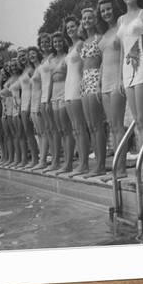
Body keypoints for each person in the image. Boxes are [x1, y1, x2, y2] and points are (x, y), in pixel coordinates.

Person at [115, 0, 143, 183]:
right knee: (137, 121)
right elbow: (122, 50)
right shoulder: (121, 19)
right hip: (127, 71)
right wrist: (121, 79)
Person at [96, 0, 127, 179]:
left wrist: (122, 79)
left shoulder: (120, 28)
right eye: (103, 11)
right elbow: (103, 61)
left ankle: (121, 169)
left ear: (114, 9)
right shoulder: (105, 34)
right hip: (105, 84)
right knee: (112, 126)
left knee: (117, 126)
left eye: (108, 9)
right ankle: (117, 167)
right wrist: (99, 82)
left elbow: (125, 53)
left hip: (117, 81)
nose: (106, 13)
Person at [80, 7, 107, 177]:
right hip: (84, 81)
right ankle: (96, 163)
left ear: (95, 20)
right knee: (90, 126)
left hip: (95, 77)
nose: (87, 20)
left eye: (90, 18)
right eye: (85, 18)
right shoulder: (83, 42)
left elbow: (104, 61)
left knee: (97, 125)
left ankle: (101, 165)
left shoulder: (100, 38)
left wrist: (99, 82)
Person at [63, 15, 90, 176]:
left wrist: (83, 86)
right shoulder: (70, 48)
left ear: (77, 27)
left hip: (77, 87)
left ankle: (84, 164)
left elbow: (86, 64)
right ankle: (80, 162)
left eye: (73, 26)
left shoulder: (80, 44)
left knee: (80, 127)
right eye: (68, 28)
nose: (70, 29)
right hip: (68, 88)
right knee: (75, 129)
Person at [48, 31, 75, 174]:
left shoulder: (67, 56)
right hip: (54, 94)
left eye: (59, 41)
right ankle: (60, 161)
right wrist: (48, 98)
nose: (57, 44)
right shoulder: (51, 59)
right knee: (60, 130)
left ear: (63, 42)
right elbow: (50, 81)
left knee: (67, 129)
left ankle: (69, 162)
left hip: (65, 90)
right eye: (55, 42)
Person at [37, 33, 59, 172]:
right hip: (43, 97)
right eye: (42, 42)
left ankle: (56, 160)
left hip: (50, 97)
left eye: (47, 42)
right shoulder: (43, 60)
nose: (45, 44)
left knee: (54, 130)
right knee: (49, 130)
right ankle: (51, 159)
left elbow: (51, 79)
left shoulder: (52, 58)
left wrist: (49, 98)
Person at [17, 47, 39, 168]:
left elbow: (34, 86)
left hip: (30, 103)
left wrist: (31, 105)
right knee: (28, 133)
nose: (22, 57)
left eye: (23, 55)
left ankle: (36, 159)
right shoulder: (24, 71)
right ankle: (34, 158)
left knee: (32, 133)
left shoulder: (31, 69)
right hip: (23, 105)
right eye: (19, 56)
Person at [28, 46, 48, 170]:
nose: (31, 56)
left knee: (43, 132)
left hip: (39, 101)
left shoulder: (41, 67)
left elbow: (43, 86)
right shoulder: (34, 69)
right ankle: (41, 158)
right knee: (39, 133)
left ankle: (43, 160)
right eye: (30, 54)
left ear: (38, 54)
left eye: (33, 53)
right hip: (33, 104)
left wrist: (41, 103)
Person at [0, 64, 15, 166]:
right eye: (1, 74)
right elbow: (1, 94)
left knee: (12, 134)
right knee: (7, 135)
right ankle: (8, 157)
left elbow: (4, 93)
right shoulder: (6, 83)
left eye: (4, 73)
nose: (3, 75)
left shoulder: (12, 81)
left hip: (11, 107)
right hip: (5, 108)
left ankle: (13, 158)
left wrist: (0, 83)